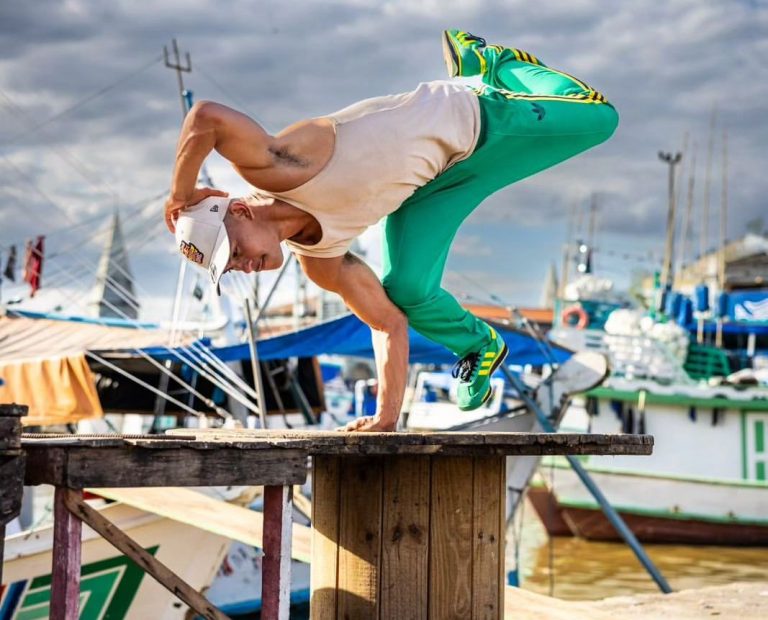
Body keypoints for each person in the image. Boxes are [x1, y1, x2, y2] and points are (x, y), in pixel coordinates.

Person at [165, 30, 618, 432]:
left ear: (240, 211)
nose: (245, 265)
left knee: (600, 119)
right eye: (232, 267)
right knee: (407, 290)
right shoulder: (320, 262)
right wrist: (387, 414)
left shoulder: (279, 165)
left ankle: (493, 63)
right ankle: (479, 347)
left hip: (474, 122)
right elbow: (386, 323)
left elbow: (206, 117)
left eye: (235, 250)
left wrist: (178, 193)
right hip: (431, 189)